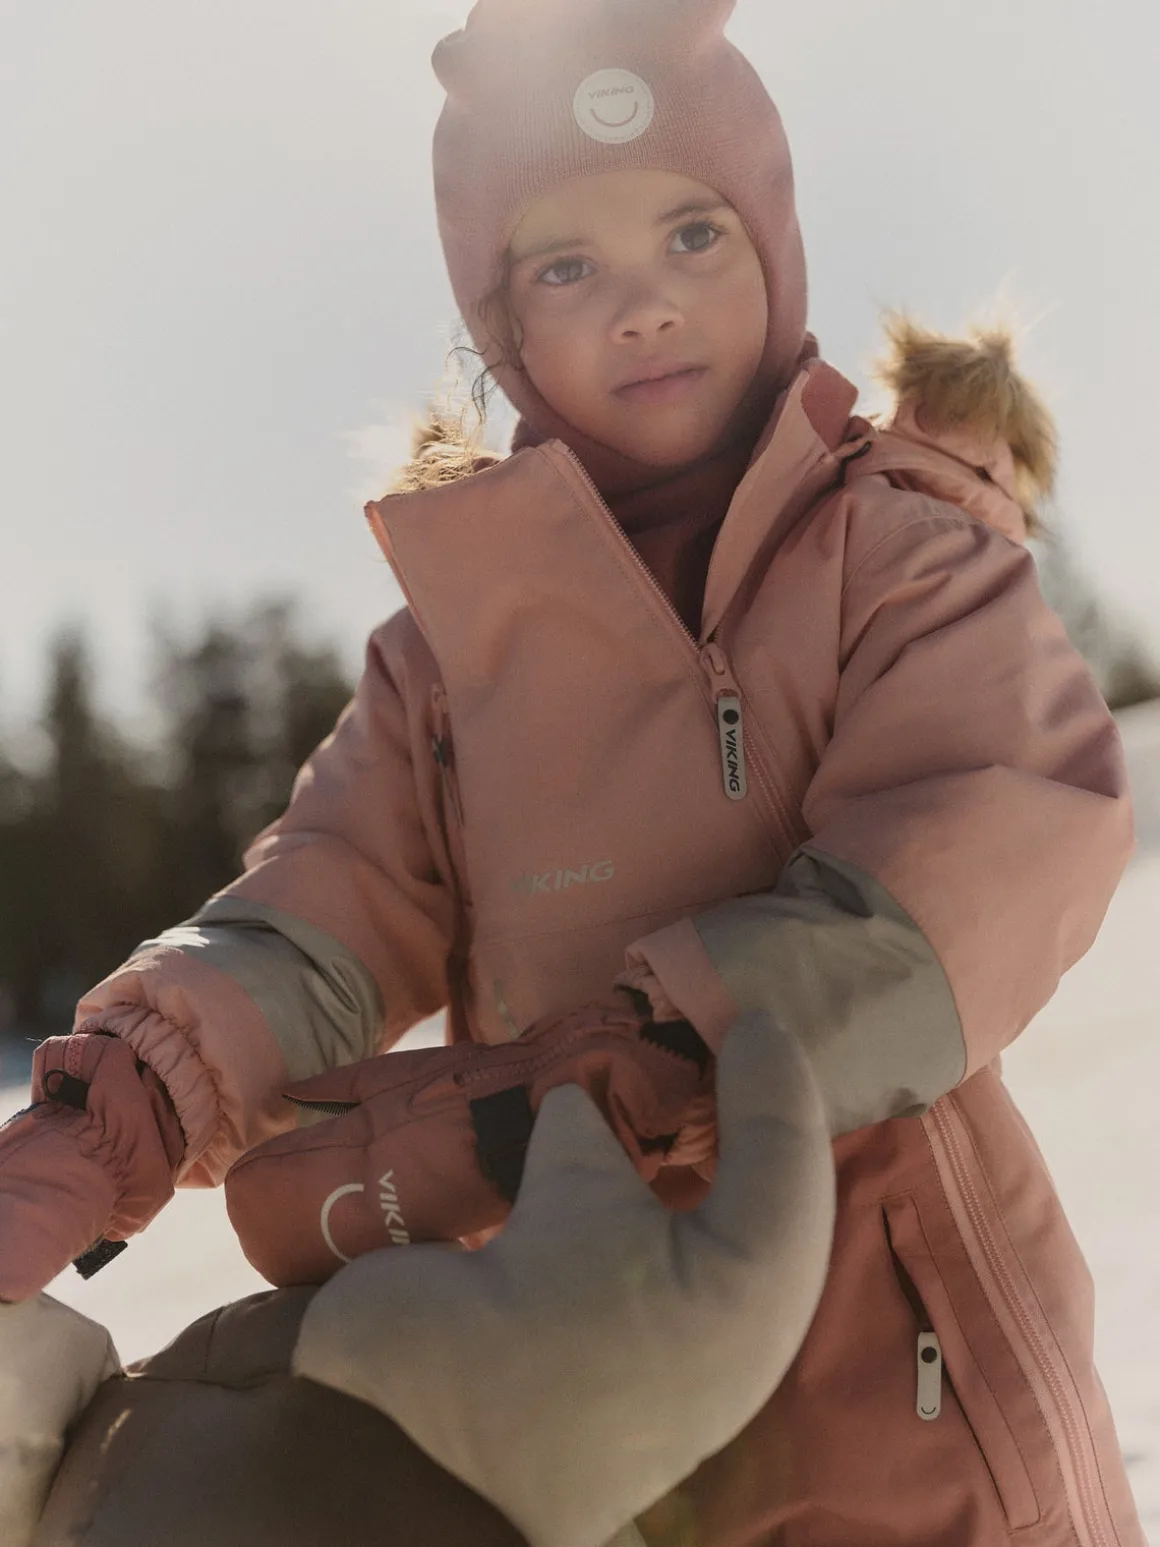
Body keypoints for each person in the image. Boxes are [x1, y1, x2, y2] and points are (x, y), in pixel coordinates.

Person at [0, 0, 1146, 1543]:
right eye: (567, 268)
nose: (644, 304)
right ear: (503, 326)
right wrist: (109, 1115)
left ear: (774, 245)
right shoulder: (454, 655)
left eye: (692, 234)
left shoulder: (893, 549)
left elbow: (972, 854)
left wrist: (611, 1074)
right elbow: (318, 917)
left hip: (913, 1387)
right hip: (588, 1405)